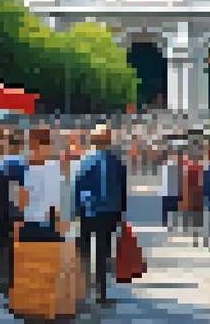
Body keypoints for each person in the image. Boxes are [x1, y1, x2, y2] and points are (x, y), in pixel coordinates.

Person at [71, 124, 128, 305]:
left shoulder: (84, 160)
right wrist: (121, 214)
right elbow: (122, 189)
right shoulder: (117, 161)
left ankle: (81, 290)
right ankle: (100, 293)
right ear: (109, 141)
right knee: (102, 254)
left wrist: (76, 211)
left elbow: (77, 187)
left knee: (84, 252)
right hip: (109, 213)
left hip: (88, 212)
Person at [0, 133, 28, 295]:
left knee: (3, 241)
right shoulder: (24, 164)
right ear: (20, 145)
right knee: (18, 243)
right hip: (18, 210)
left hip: (3, 210)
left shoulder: (1, 164)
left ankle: (1, 274)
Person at [159, 150, 182, 230]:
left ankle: (170, 223)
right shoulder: (166, 167)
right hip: (168, 192)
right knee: (168, 208)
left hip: (173, 192)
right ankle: (166, 223)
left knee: (173, 208)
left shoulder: (177, 168)